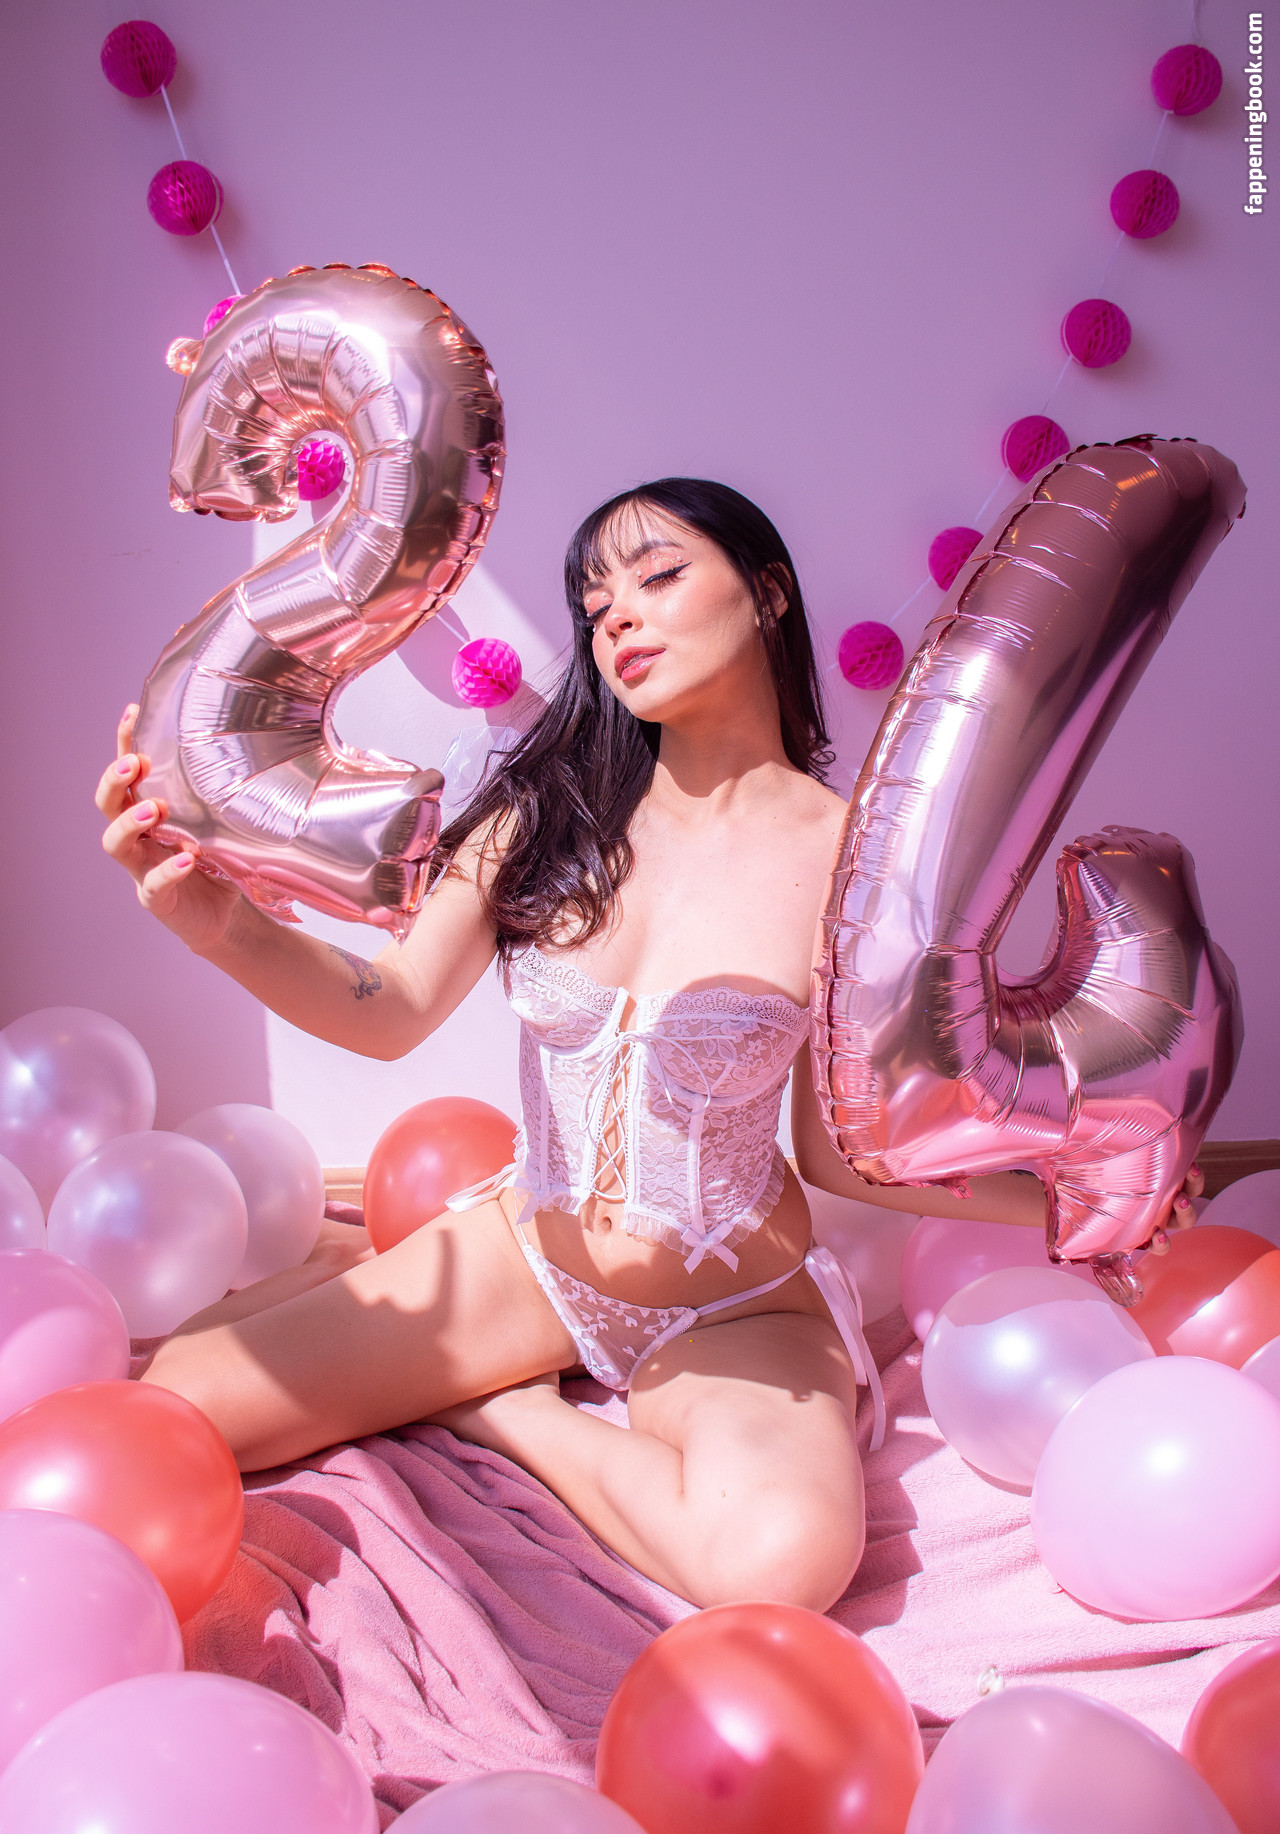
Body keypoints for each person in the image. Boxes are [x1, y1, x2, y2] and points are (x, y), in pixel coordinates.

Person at [96, 477, 1201, 1614]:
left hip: (736, 1307)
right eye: (593, 605)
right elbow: (390, 1008)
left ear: (767, 592)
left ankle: (500, 1409)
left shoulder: (853, 871)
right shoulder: (542, 813)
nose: (617, 615)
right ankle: (470, 1350)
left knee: (779, 1567)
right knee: (179, 1398)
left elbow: (842, 1158)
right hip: (532, 1261)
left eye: (659, 576)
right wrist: (220, 924)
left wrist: (1071, 1209)